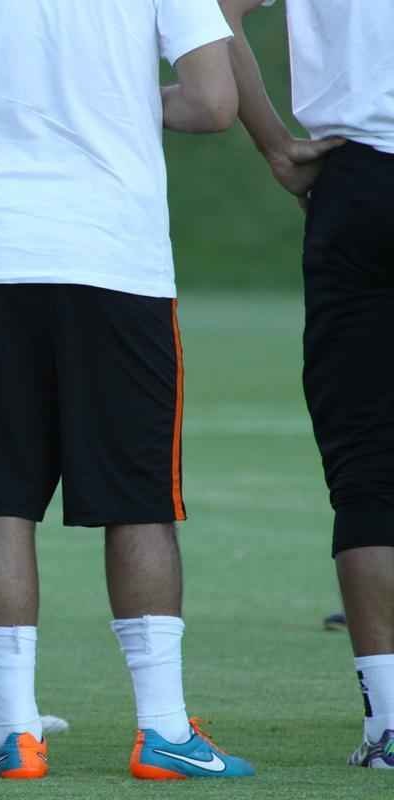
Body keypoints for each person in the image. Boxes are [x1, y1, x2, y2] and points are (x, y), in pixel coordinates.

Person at [0, 0, 254, 780]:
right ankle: (163, 730)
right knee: (138, 499)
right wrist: (124, 99)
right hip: (116, 258)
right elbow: (214, 102)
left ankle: (16, 734)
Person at [220, 0, 394, 769]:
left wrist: (276, 147)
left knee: (365, 467)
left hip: (359, 182)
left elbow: (215, 16)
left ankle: (388, 720)